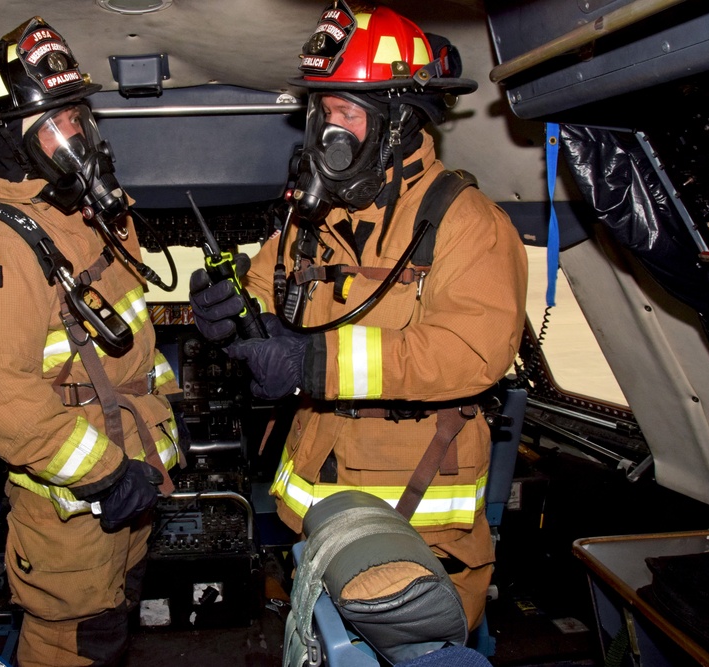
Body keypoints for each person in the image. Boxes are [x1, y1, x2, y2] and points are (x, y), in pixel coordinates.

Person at [190, 0, 528, 631]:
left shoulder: (466, 222)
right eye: (321, 111)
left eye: (345, 111)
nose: (326, 131)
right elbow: (266, 283)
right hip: (317, 513)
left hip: (414, 521)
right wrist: (230, 312)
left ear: (398, 122)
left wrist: (312, 361)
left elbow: (472, 351)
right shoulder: (318, 217)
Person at [0, 17, 182, 667]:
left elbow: (131, 343)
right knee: (75, 644)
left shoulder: (88, 214)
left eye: (78, 116)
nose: (76, 135)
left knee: (116, 627)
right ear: (8, 141)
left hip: (132, 481)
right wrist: (105, 475)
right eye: (55, 122)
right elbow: (4, 401)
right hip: (74, 507)